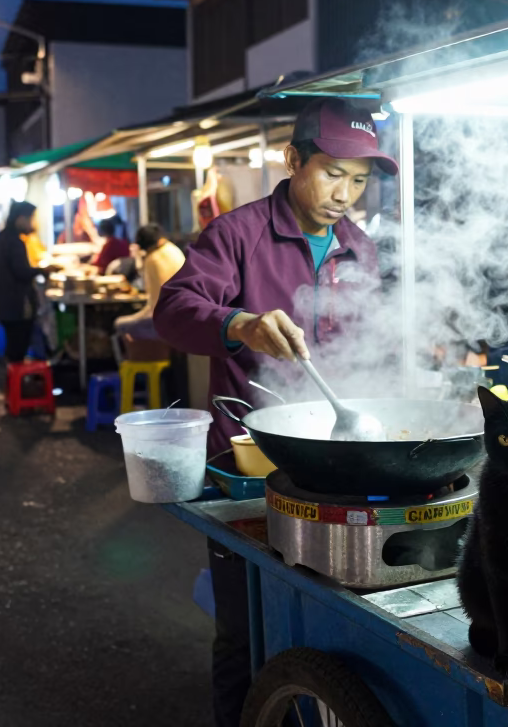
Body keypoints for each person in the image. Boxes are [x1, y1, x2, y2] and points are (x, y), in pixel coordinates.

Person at [153, 98, 395, 727]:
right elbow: (173, 310)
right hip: (249, 464)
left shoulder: (359, 247)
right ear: (292, 160)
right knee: (244, 629)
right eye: (333, 173)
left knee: (331, 625)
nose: (345, 194)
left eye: (359, 180)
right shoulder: (238, 234)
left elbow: (371, 342)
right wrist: (239, 324)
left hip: (333, 463)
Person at [0, 201, 55, 364]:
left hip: (2, 303)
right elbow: (22, 272)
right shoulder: (15, 242)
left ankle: (13, 375)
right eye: (31, 219)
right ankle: (17, 377)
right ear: (21, 219)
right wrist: (42, 270)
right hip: (17, 304)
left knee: (12, 347)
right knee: (18, 347)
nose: (33, 224)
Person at [114, 223, 185, 342]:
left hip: (168, 322)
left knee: (119, 324)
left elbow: (153, 306)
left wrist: (134, 318)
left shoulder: (152, 258)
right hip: (185, 316)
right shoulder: (174, 249)